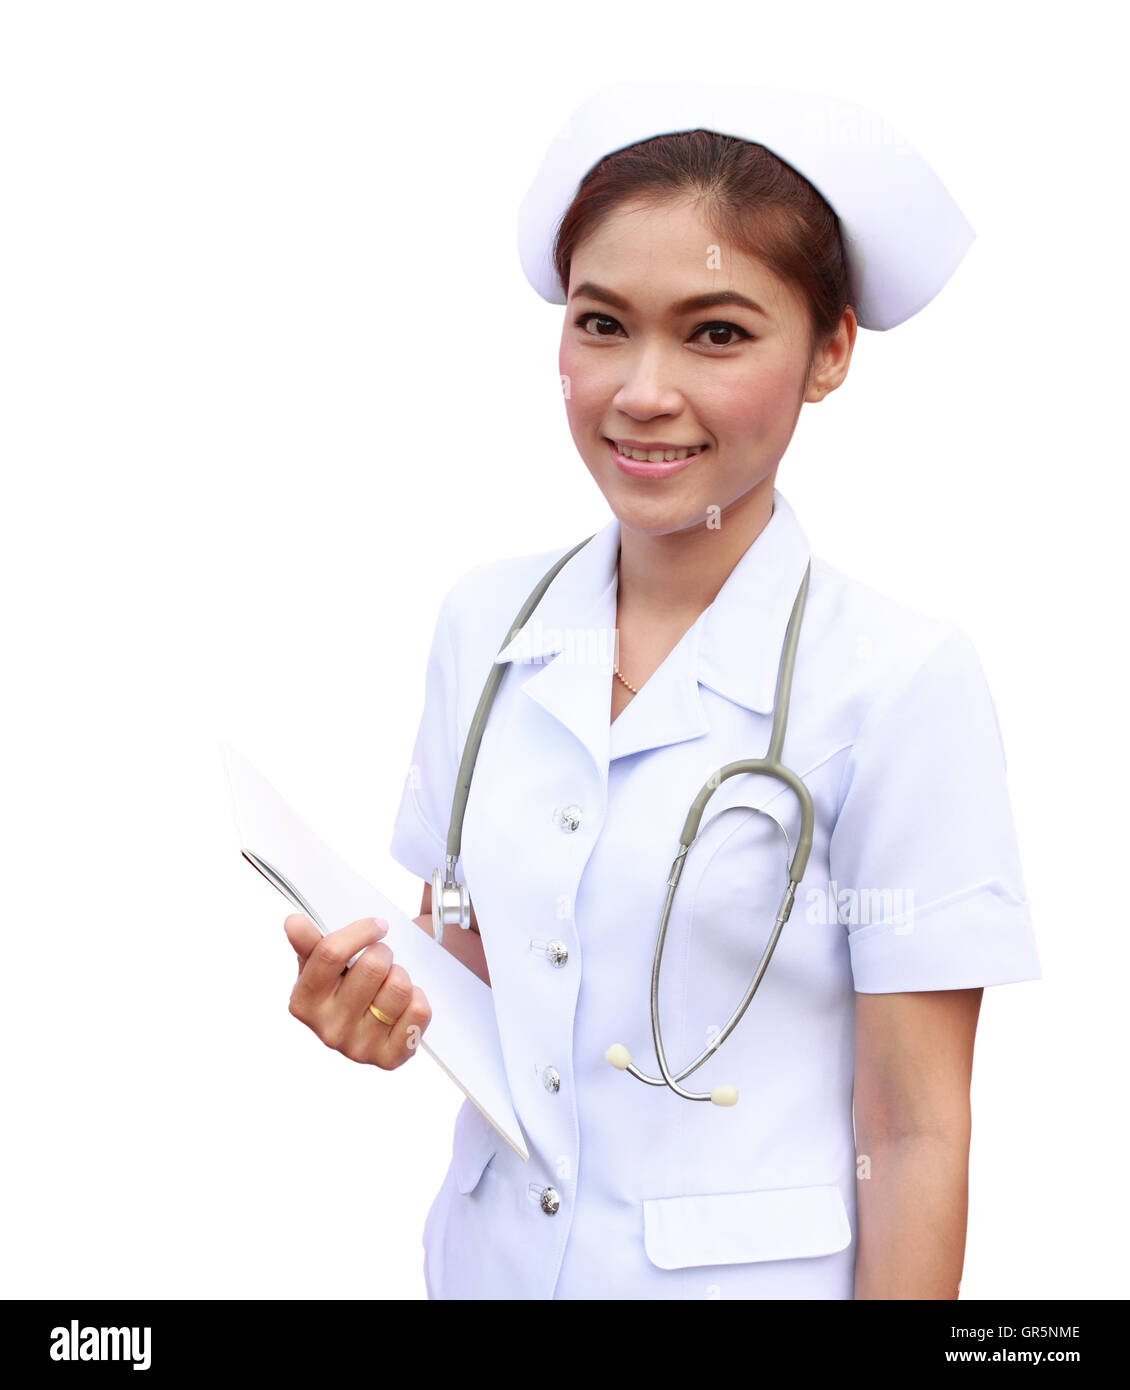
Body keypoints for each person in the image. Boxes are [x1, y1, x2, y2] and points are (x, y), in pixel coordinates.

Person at [284, 84, 1041, 1300]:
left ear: (831, 349)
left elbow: (913, 1137)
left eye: (716, 332)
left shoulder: (899, 683)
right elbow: (481, 966)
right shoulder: (487, 622)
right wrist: (378, 1003)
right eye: (601, 324)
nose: (639, 389)